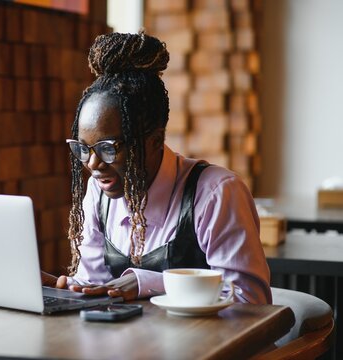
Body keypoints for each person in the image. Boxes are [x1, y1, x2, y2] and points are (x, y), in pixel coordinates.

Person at [42, 31, 271, 304]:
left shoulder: (216, 194)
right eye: (83, 149)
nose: (92, 164)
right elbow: (95, 284)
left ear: (154, 141)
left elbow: (250, 303)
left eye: (108, 148)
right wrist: (68, 289)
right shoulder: (99, 193)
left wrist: (149, 283)